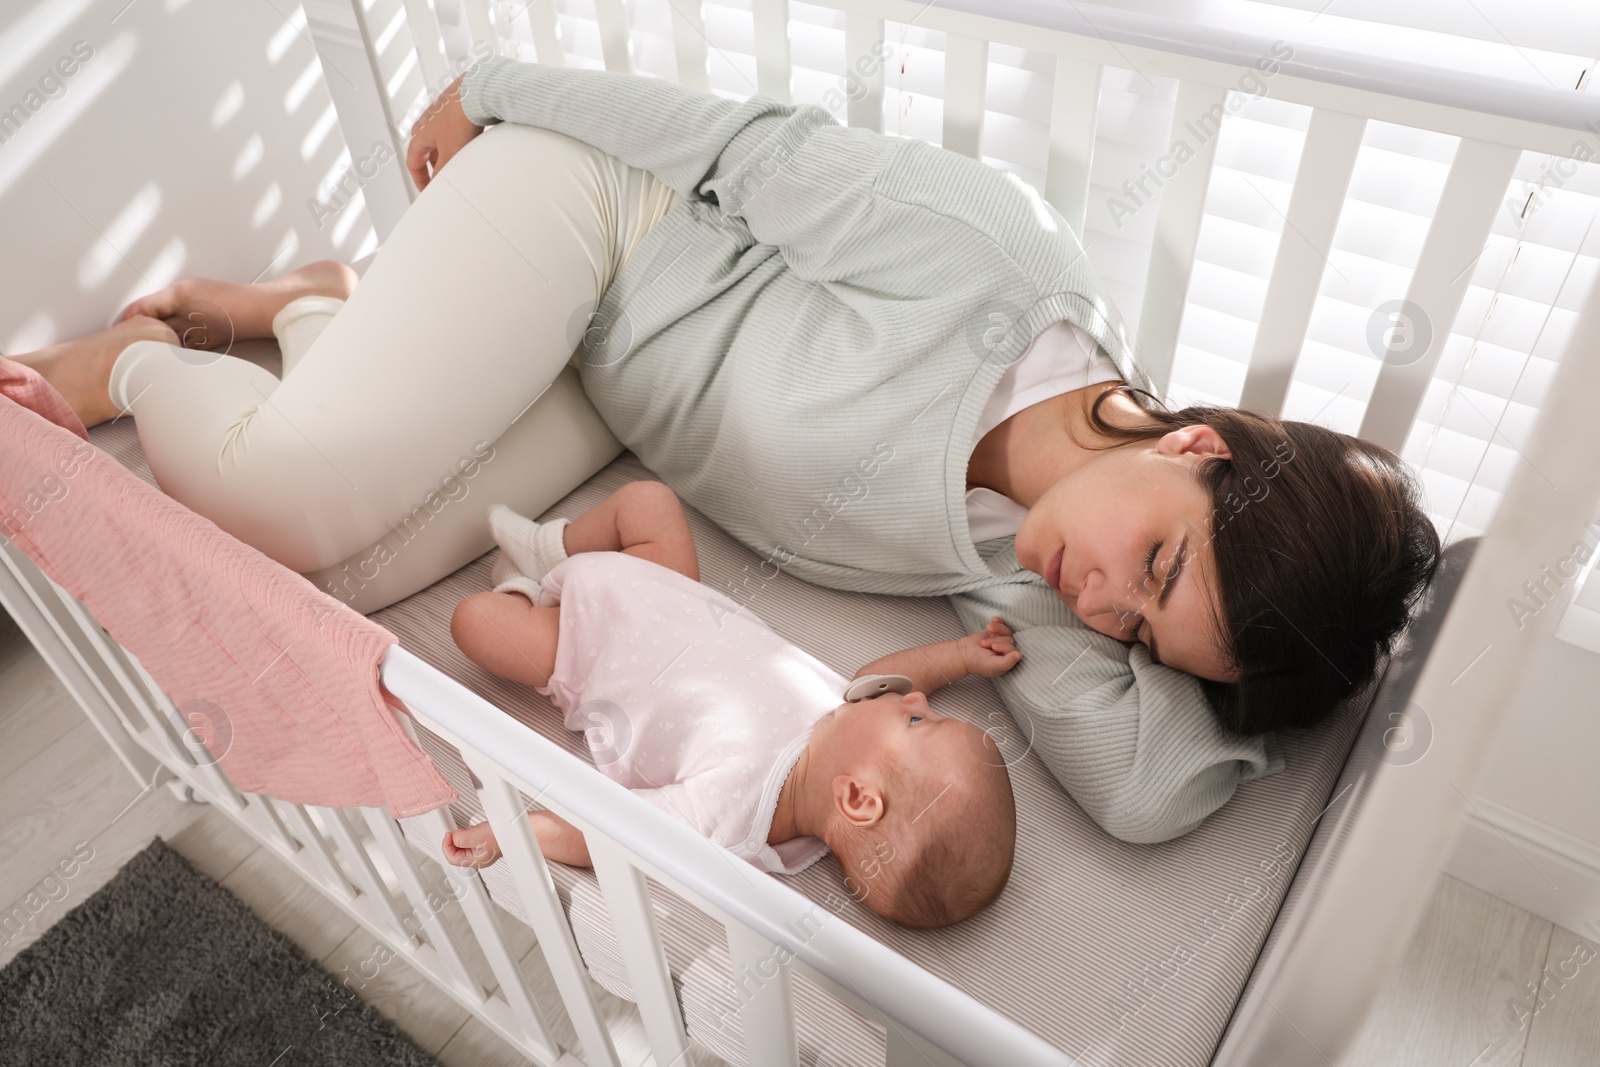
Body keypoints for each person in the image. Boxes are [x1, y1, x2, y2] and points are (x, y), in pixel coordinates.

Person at [11, 55, 1440, 844]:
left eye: (1138, 632)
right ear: (1196, 439)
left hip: (619, 388)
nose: (1099, 603)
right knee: (271, 495)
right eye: (1156, 559)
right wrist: (495, 87)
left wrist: (1272, 676)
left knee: (362, 561)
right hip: (599, 220)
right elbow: (737, 141)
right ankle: (126, 360)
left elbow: (1137, 790)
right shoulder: (998, 259)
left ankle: (322, 307)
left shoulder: (1025, 575)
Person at [439, 479, 1018, 929]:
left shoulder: (731, 817)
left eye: (919, 720)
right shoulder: (839, 721)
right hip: (670, 588)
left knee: (476, 624)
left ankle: (526, 590)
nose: (914, 698)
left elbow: (610, 830)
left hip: (585, 653)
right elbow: (882, 676)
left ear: (857, 797)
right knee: (648, 501)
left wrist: (511, 835)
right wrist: (959, 656)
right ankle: (551, 550)